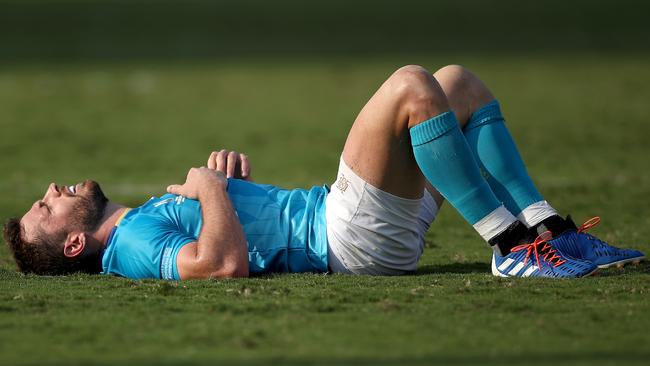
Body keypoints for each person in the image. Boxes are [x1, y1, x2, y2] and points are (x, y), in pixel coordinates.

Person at [4, 65, 645, 280]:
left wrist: (222, 188)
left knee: (459, 85)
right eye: (45, 205)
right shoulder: (132, 245)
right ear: (72, 242)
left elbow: (227, 239)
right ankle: (510, 249)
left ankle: (547, 232)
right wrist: (209, 192)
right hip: (344, 237)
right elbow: (218, 267)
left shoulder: (139, 222)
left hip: (347, 227)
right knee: (411, 87)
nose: (54, 190)